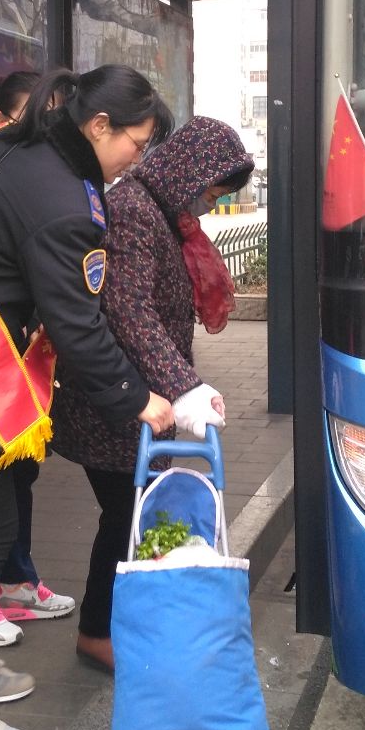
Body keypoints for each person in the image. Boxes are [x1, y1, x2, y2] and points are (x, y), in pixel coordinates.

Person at [0, 64, 176, 730]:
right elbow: (78, 325)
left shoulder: (9, 145)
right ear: (99, 125)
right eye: (136, 143)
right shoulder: (64, 200)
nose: (137, 159)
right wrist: (139, 399)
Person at [50, 115, 254, 674]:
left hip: (140, 397)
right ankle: (97, 632)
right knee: (125, 513)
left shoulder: (158, 211)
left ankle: (118, 624)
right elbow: (129, 311)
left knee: (129, 512)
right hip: (115, 401)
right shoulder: (135, 211)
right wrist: (185, 387)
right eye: (210, 191)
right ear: (188, 171)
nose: (210, 203)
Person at [0, 70, 80, 652]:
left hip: (21, 354)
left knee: (21, 473)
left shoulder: (43, 181)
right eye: (31, 117)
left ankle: (17, 580)